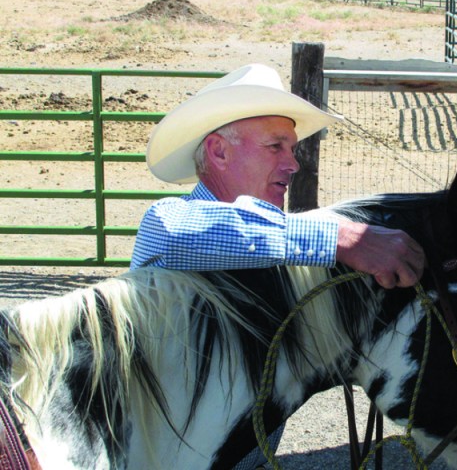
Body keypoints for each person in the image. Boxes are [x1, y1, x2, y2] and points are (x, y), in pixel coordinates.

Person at [130, 63, 426, 468]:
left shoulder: (278, 247)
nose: (293, 164)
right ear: (218, 150)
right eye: (276, 147)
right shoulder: (171, 222)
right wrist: (340, 238)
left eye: (292, 148)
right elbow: (184, 232)